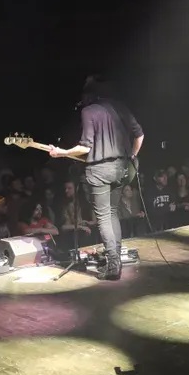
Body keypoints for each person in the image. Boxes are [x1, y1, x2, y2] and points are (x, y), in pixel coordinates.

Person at [49, 75, 143, 280]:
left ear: (90, 95)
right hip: (121, 169)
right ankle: (115, 259)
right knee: (112, 213)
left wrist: (61, 152)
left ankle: (113, 266)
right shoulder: (120, 107)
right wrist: (132, 156)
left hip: (99, 171)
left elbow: (85, 146)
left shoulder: (88, 111)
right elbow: (140, 134)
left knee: (103, 217)